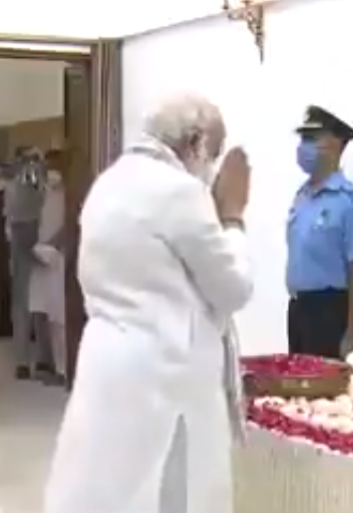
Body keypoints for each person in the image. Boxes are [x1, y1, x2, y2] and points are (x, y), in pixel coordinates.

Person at [43, 93, 254, 513]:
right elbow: (233, 287)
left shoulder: (109, 183)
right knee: (168, 489)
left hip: (107, 358)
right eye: (212, 153)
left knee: (107, 481)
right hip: (163, 369)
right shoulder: (179, 192)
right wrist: (232, 216)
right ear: (194, 142)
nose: (211, 169)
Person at [286, 105, 353, 359]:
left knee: (325, 382)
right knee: (296, 380)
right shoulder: (301, 196)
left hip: (328, 312)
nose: (304, 147)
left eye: (312, 138)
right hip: (298, 308)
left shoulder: (351, 201)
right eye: (303, 139)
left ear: (335, 144)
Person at [2, 146, 47, 380]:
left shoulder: (36, 181)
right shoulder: (23, 182)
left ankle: (37, 359)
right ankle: (28, 360)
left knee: (37, 305)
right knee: (28, 304)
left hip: (39, 241)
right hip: (27, 240)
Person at [28, 149, 67, 385]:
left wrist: (52, 245)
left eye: (54, 167)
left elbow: (68, 226)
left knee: (60, 318)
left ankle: (64, 369)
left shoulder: (67, 195)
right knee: (44, 314)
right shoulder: (43, 194)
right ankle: (52, 365)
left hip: (58, 258)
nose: (50, 172)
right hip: (41, 256)